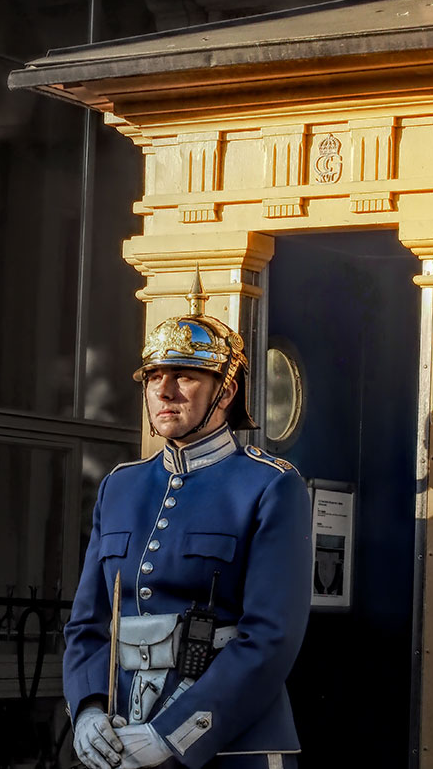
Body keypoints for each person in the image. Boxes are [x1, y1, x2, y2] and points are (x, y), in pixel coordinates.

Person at [63, 271, 312, 769]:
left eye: (185, 376)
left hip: (231, 743)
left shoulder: (269, 485)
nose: (165, 391)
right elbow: (88, 623)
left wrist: (177, 733)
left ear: (225, 392)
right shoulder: (120, 485)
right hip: (121, 738)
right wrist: (89, 709)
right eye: (155, 377)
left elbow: (269, 637)